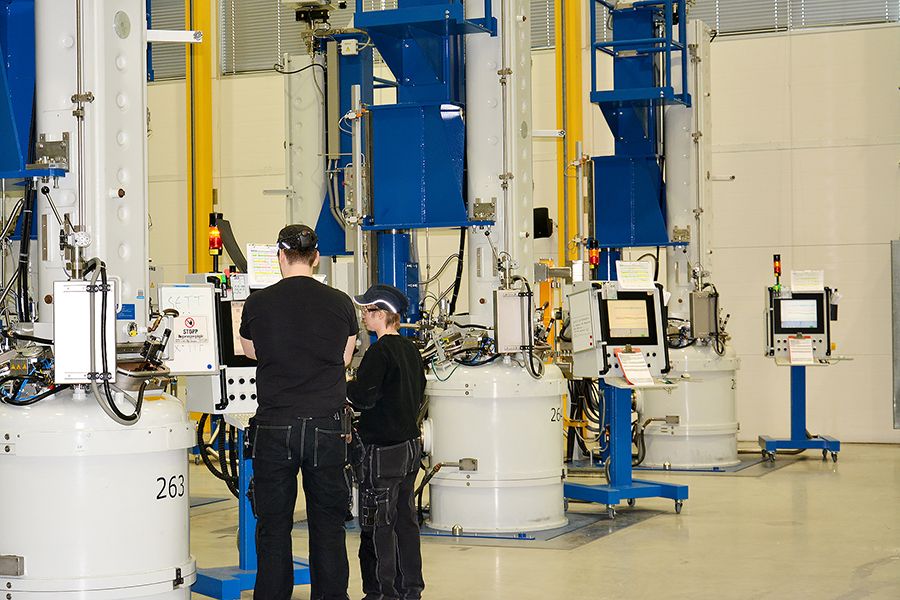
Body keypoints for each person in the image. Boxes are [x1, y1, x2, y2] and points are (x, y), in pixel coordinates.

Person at [239, 224, 358, 600]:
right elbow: (344, 357)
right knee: (328, 525)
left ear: (280, 257)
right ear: (316, 258)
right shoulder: (341, 302)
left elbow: (250, 351)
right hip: (327, 427)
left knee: (273, 526)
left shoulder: (257, 303)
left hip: (275, 427)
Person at [347, 284, 426, 600]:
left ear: (381, 314)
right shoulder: (410, 350)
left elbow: (364, 397)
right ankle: (411, 589)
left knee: (379, 523)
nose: (364, 317)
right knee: (405, 521)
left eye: (367, 311)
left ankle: (383, 592)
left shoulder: (379, 352)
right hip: (409, 447)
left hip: (383, 452)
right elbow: (418, 391)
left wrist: (343, 386)